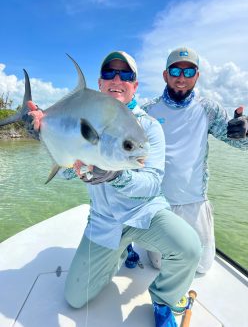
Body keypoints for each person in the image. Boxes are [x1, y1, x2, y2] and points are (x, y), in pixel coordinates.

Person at [28, 51, 201, 327]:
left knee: (190, 248)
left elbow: (153, 182)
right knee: (74, 298)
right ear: (99, 83)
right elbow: (67, 176)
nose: (116, 79)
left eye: (126, 75)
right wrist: (42, 132)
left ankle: (163, 300)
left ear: (135, 85)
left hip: (145, 215)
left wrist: (114, 175)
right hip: (104, 220)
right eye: (109, 74)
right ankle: (120, 252)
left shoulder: (149, 127)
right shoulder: (83, 115)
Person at [144, 47, 248, 274]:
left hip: (195, 201)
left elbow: (237, 141)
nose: (182, 78)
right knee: (158, 266)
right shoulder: (148, 109)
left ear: (197, 76)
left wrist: (244, 131)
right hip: (158, 202)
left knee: (203, 267)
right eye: (175, 71)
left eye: (189, 72)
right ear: (165, 75)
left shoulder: (209, 109)